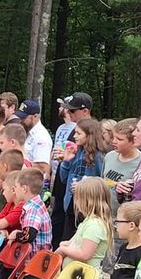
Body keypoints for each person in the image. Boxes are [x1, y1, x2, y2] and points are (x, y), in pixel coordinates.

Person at [54, 117, 108, 241]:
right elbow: (63, 179)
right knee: (67, 239)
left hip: (88, 205)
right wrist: (66, 161)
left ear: (89, 135)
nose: (74, 136)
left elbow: (101, 180)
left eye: (78, 133)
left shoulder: (98, 156)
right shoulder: (76, 151)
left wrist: (84, 185)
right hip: (71, 203)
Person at [50, 93, 89, 246]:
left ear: (85, 111)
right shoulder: (72, 130)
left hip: (80, 196)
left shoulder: (90, 132)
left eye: (72, 111)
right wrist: (64, 160)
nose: (68, 113)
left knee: (70, 234)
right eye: (68, 110)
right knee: (58, 225)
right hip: (65, 186)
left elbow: (95, 172)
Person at [102, 118, 141, 213]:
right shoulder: (109, 156)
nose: (114, 142)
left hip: (123, 219)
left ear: (133, 141)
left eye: (119, 139)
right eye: (114, 137)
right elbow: (103, 181)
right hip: (104, 215)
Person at [17, 99, 53, 175]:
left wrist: (18, 165)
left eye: (24, 117)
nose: (21, 120)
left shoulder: (41, 137)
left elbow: (42, 167)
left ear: (35, 116)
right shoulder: (28, 132)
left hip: (31, 181)